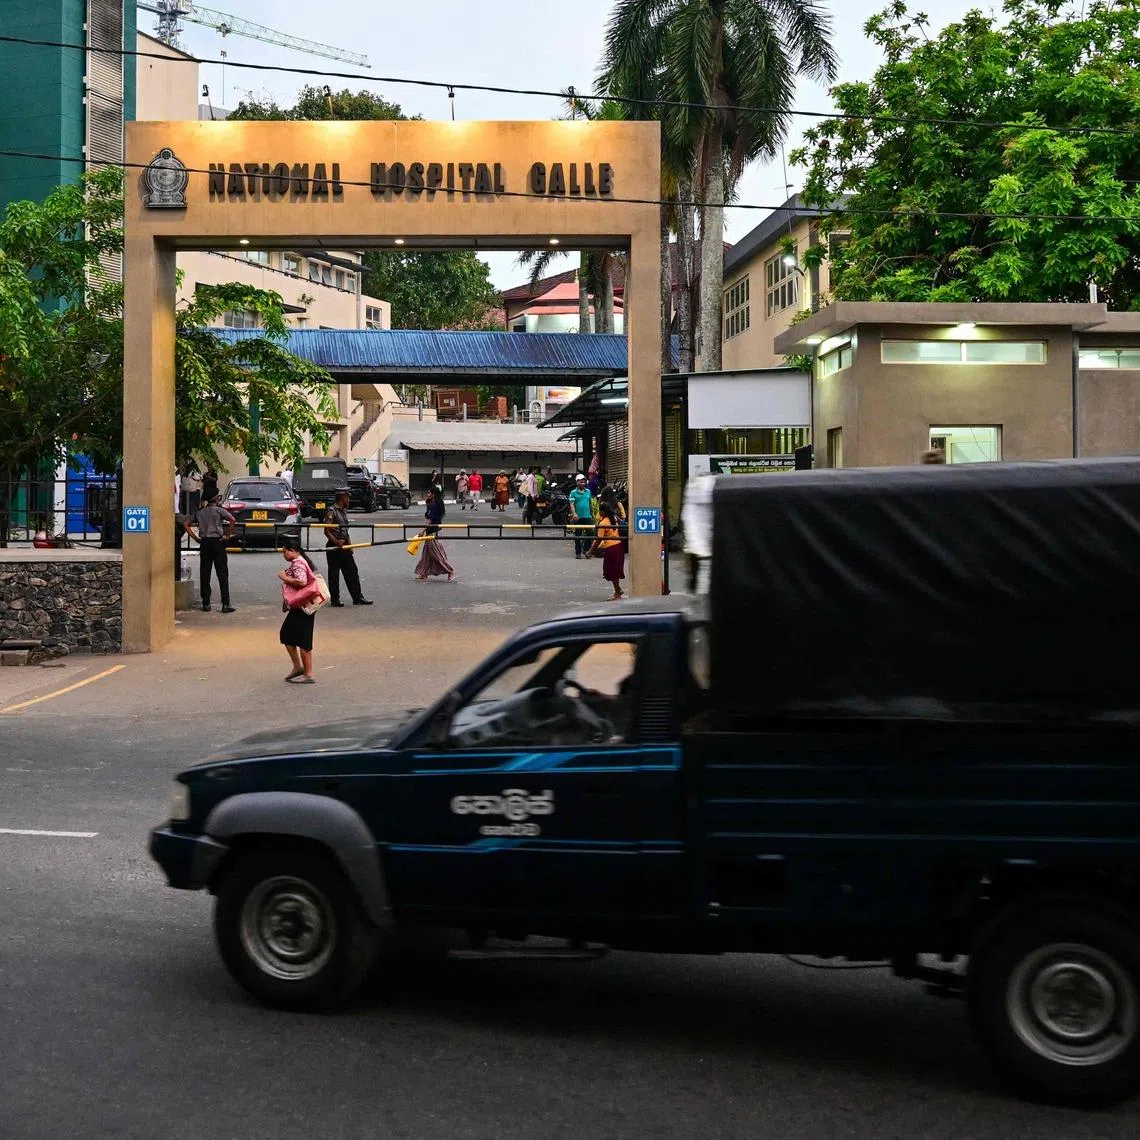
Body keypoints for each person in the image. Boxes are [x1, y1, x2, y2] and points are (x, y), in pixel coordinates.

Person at [184, 493, 235, 613]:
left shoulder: (200, 512)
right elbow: (232, 520)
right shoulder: (219, 510)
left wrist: (196, 538)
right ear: (216, 498)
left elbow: (186, 524)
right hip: (217, 543)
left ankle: (206, 603)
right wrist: (227, 535)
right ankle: (225, 604)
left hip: (205, 543)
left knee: (205, 573)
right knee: (222, 574)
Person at [278, 537, 318, 684]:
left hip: (303, 605)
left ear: (293, 551)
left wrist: (285, 577)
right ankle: (298, 667)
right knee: (287, 634)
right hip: (301, 604)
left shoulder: (298, 564)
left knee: (303, 639)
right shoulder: (301, 561)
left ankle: (308, 673)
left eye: (285, 552)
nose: (284, 555)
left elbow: (302, 581)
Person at [324, 489, 373, 607]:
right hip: (334, 546)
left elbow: (346, 530)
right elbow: (326, 530)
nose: (349, 500)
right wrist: (337, 542)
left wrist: (350, 546)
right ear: (342, 498)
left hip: (345, 545)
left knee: (352, 571)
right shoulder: (332, 511)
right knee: (334, 574)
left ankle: (357, 597)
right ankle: (335, 599)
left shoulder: (344, 511)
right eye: (347, 497)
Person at [585, 499, 625, 601]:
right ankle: (618, 589)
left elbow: (599, 539)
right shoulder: (614, 519)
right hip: (619, 546)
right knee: (615, 570)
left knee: (612, 571)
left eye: (600, 511)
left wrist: (590, 551)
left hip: (611, 549)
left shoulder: (603, 523)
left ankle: (617, 593)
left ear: (602, 512)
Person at [415, 488, 456, 582]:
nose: (428, 494)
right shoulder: (434, 504)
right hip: (433, 530)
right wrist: (427, 503)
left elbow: (429, 520)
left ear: (433, 494)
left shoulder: (434, 506)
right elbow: (428, 516)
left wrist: (422, 531)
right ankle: (423, 573)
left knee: (436, 554)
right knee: (426, 555)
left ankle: (450, 571)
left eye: (429, 493)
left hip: (432, 532)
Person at [568, 473, 594, 559]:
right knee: (578, 535)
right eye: (581, 482)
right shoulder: (573, 493)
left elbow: (590, 504)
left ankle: (586, 549)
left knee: (590, 533)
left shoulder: (588, 492)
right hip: (578, 517)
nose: (583, 483)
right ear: (577, 482)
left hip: (587, 516)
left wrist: (592, 514)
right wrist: (574, 514)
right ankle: (578, 552)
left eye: (584, 482)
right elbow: (572, 504)